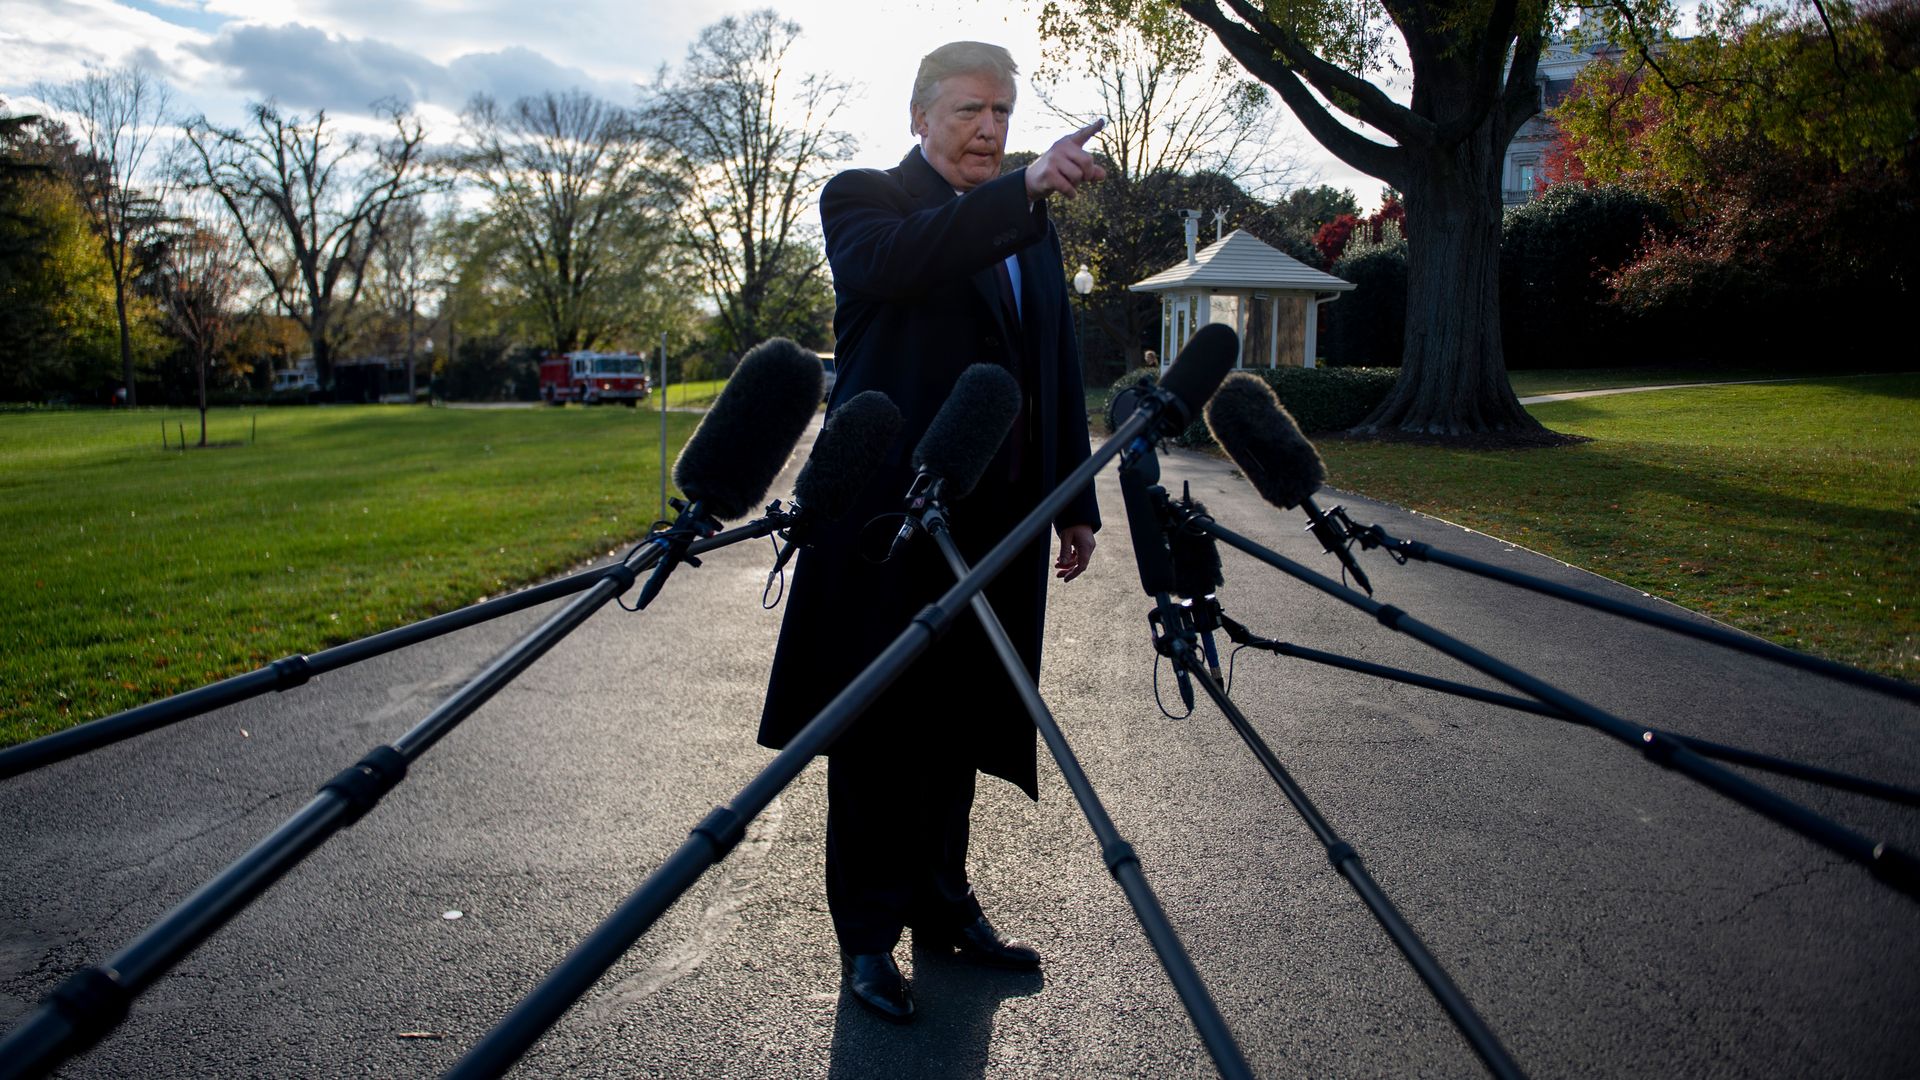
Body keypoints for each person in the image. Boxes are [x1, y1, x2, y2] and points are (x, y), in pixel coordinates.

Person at [757, 40, 1107, 1024]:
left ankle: (942, 910)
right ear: (920, 118)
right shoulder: (864, 199)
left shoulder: (1027, 225)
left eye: (1004, 112)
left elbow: (1053, 362)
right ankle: (867, 940)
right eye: (968, 112)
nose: (991, 130)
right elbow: (909, 263)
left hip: (993, 525)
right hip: (883, 521)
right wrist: (1024, 191)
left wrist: (1071, 499)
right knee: (875, 731)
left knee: (960, 722)